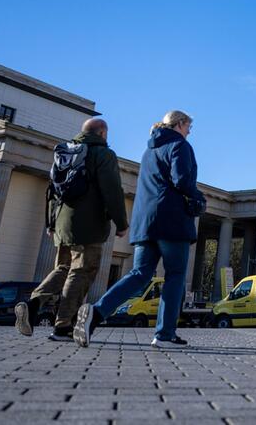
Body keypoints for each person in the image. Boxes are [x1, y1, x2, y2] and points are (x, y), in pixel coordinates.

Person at [74, 111, 205, 349]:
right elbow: (182, 180)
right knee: (175, 276)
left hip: (146, 221)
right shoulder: (179, 145)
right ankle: (164, 335)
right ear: (180, 124)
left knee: (139, 274)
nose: (189, 131)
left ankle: (96, 312)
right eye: (189, 126)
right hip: (172, 221)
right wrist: (198, 197)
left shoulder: (149, 150)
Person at [15, 118, 128, 341]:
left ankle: (33, 303)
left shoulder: (65, 153)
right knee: (81, 271)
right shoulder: (103, 154)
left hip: (62, 222)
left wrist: (50, 223)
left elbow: (52, 191)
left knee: (63, 267)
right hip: (89, 224)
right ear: (103, 133)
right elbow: (112, 190)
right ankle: (63, 326)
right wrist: (121, 223)